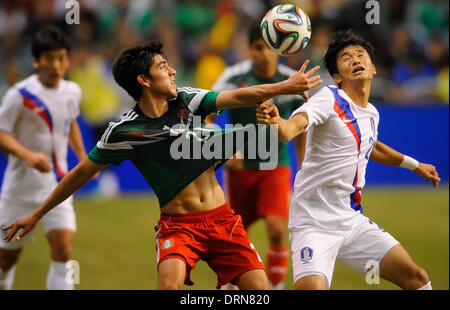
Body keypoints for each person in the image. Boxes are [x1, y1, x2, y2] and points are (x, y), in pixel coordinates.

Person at [2, 41, 322, 290]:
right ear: (144, 80)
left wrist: (283, 87)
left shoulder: (186, 99)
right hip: (179, 227)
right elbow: (82, 172)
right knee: (169, 285)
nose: (172, 72)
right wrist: (38, 214)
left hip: (223, 219)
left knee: (260, 289)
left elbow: (236, 98)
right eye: (163, 67)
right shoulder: (123, 131)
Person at [256, 30, 441, 290]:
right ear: (336, 76)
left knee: (417, 278)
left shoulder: (372, 113)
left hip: (351, 221)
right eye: (346, 58)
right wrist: (276, 119)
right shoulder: (328, 99)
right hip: (313, 223)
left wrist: (415, 165)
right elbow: (290, 130)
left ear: (373, 68)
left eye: (360, 55)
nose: (355, 60)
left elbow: (372, 147)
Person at [208, 22, 306, 290]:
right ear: (249, 50)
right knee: (234, 236)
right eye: (257, 48)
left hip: (275, 167)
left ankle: (275, 287)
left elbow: (304, 125)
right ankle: (234, 283)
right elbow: (206, 114)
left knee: (277, 229)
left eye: (268, 48)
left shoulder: (292, 82)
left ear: (279, 50)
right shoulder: (232, 76)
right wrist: (224, 149)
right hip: (239, 172)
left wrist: (304, 168)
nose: (263, 53)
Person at [0, 26, 89, 290]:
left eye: (62, 58)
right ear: (37, 61)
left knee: (63, 252)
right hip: (20, 189)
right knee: (6, 259)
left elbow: (71, 123)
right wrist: (26, 154)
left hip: (58, 185)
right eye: (50, 59)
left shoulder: (72, 91)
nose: (56, 65)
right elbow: (2, 132)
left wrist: (83, 156)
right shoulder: (20, 95)